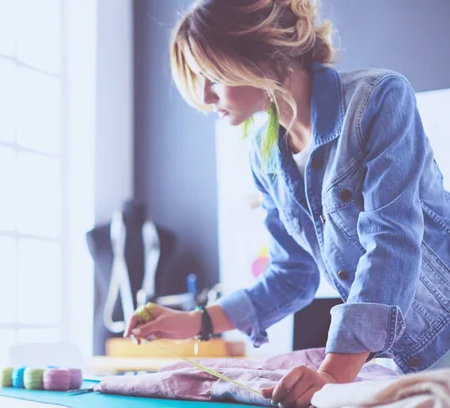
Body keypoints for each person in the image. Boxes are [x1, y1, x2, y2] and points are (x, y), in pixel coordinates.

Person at [124, 0, 450, 407]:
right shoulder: (266, 159)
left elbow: (392, 240)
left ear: (254, 55)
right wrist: (196, 322)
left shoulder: (380, 99)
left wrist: (333, 374)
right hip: (407, 367)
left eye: (211, 75)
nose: (207, 96)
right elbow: (291, 275)